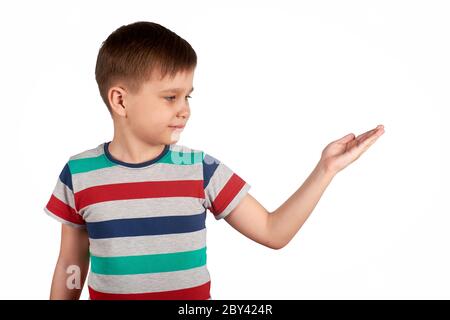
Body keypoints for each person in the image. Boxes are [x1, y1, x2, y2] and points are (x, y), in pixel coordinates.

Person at [44, 21, 385, 300]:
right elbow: (70, 264)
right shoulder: (79, 174)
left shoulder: (200, 170)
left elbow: (273, 231)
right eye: (170, 97)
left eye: (187, 95)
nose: (185, 109)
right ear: (120, 101)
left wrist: (325, 169)